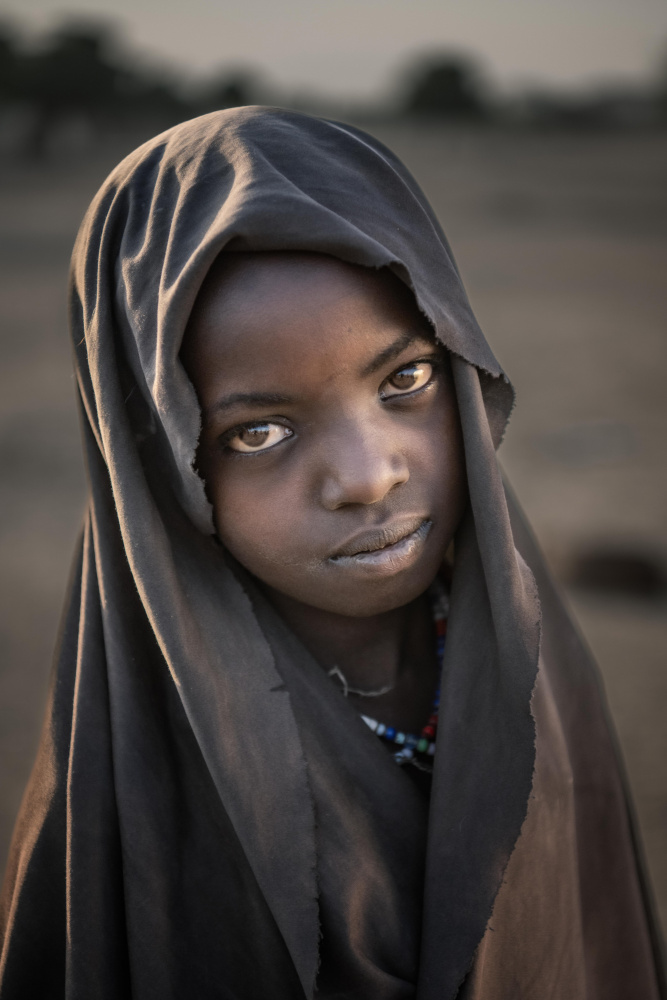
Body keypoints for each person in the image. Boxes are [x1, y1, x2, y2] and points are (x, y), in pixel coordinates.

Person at [0, 107, 663, 999]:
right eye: (260, 430)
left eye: (407, 380)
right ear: (154, 463)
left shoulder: (531, 662)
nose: (368, 476)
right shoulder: (138, 796)